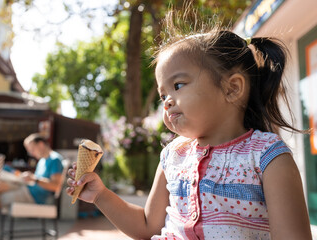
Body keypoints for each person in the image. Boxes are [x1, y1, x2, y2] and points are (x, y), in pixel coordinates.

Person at [66, 10, 312, 240]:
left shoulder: (267, 156)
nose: (167, 102)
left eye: (178, 85)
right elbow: (146, 225)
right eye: (163, 96)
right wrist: (100, 195)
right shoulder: (173, 156)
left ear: (232, 88)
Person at [0, 133, 64, 239]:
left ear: (41, 144)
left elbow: (56, 186)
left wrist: (34, 179)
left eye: (32, 149)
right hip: (26, 188)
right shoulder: (42, 161)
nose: (30, 153)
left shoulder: (55, 159)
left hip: (34, 196)